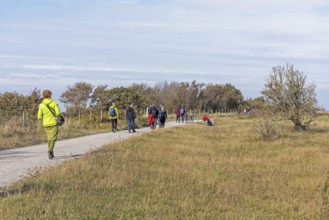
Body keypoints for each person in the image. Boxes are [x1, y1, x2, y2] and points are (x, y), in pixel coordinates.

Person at [37, 90, 61, 159]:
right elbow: (57, 113)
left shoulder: (41, 105)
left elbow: (39, 116)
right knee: (53, 138)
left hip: (45, 124)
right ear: (50, 95)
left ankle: (51, 152)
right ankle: (50, 151)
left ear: (43, 95)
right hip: (53, 123)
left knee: (49, 138)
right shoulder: (54, 103)